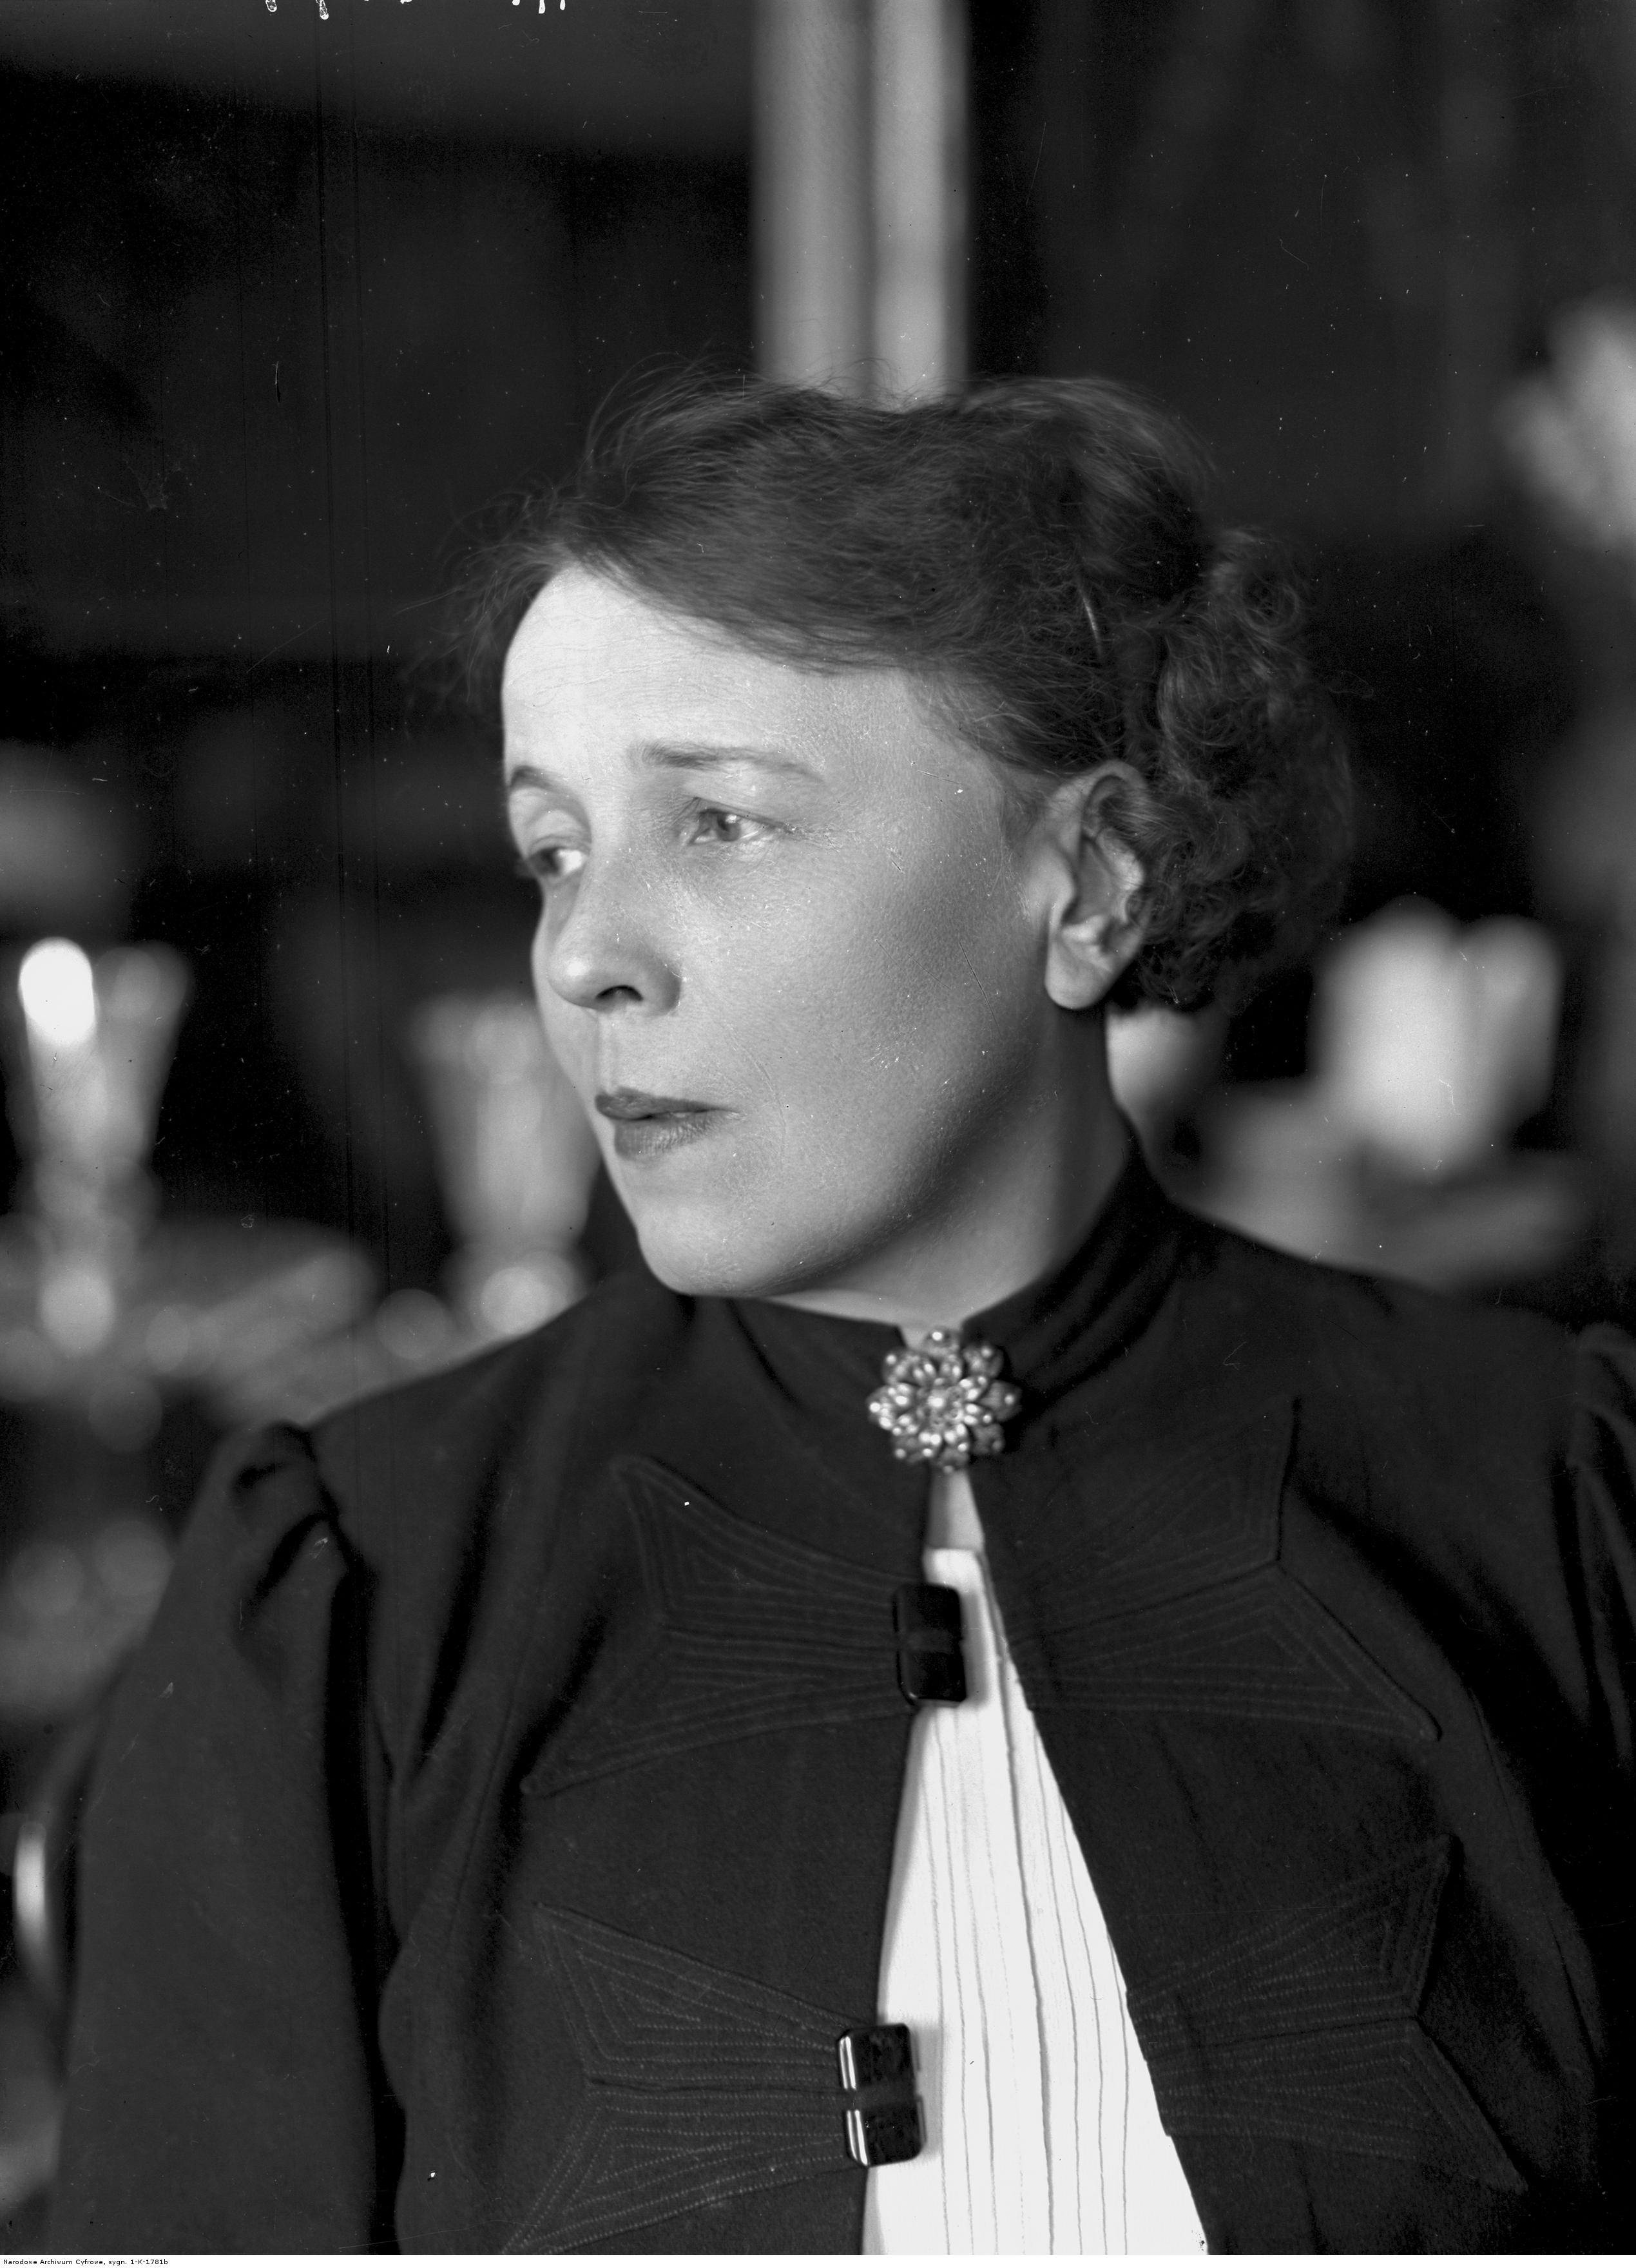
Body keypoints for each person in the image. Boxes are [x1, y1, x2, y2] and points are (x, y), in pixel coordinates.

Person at [48, 377, 1636, 2253]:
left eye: (719, 821)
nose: (584, 954)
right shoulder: (357, 1596)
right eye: (555, 849)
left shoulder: (1551, 1500)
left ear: (1088, 884)